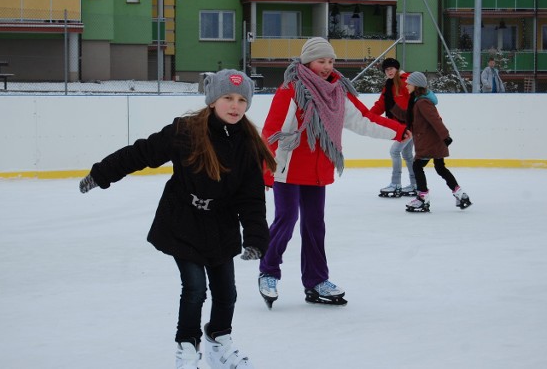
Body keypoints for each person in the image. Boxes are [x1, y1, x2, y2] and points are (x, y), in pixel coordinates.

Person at [78, 69, 277, 369]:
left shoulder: (248, 144)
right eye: (227, 98)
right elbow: (141, 153)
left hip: (221, 225)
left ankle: (218, 342)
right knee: (195, 288)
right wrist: (100, 174)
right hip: (183, 221)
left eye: (241, 100)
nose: (235, 106)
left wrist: (256, 238)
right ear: (212, 100)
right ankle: (187, 348)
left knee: (227, 292)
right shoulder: (186, 132)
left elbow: (251, 198)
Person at [257, 37, 410, 307]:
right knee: (287, 219)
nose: (327, 66)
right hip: (287, 167)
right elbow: (272, 131)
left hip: (318, 168)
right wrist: (268, 170)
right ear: (307, 61)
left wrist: (397, 130)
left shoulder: (337, 92)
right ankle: (269, 271)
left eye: (330, 61)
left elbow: (363, 120)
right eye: (321, 61)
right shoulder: (292, 89)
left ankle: (316, 281)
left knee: (315, 226)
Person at [403, 71, 472, 213]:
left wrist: (445, 136)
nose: (406, 85)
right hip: (433, 140)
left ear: (416, 85)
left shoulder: (422, 102)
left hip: (430, 142)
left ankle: (422, 199)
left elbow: (435, 120)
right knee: (440, 168)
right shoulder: (417, 100)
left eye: (409, 83)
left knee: (417, 166)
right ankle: (461, 195)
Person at [370, 57, 417, 198]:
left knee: (395, 151)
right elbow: (381, 104)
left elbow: (419, 99)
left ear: (396, 68)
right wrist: (367, 116)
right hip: (400, 126)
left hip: (410, 125)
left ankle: (396, 184)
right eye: (386, 70)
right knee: (407, 155)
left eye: (391, 68)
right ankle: (415, 185)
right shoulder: (388, 86)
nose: (388, 71)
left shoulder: (407, 81)